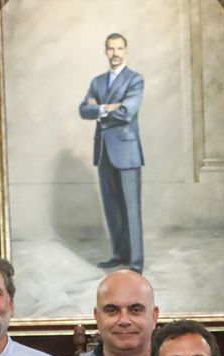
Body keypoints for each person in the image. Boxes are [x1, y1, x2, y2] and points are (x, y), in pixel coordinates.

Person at [79, 33, 144, 272]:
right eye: (111, 48)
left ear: (125, 51)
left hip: (127, 152)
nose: (115, 53)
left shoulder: (135, 80)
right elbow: (83, 110)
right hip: (104, 151)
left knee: (131, 208)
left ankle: (136, 261)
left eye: (119, 48)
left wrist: (99, 109)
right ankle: (119, 254)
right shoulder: (97, 82)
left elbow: (127, 112)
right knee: (112, 207)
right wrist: (108, 107)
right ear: (105, 51)